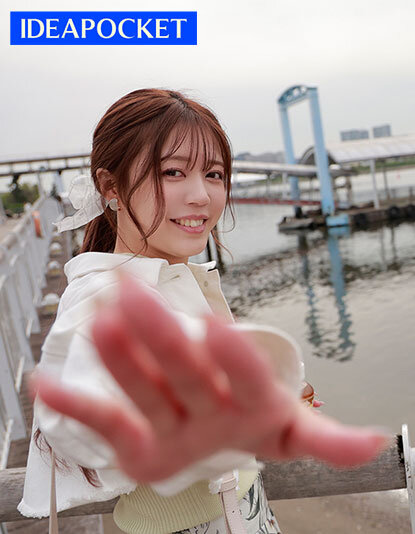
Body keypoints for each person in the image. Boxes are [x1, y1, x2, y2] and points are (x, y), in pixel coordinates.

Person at [17, 88, 390, 534]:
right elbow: (81, 406)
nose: (201, 196)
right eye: (173, 172)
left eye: (214, 174)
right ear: (111, 186)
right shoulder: (105, 297)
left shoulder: (169, 278)